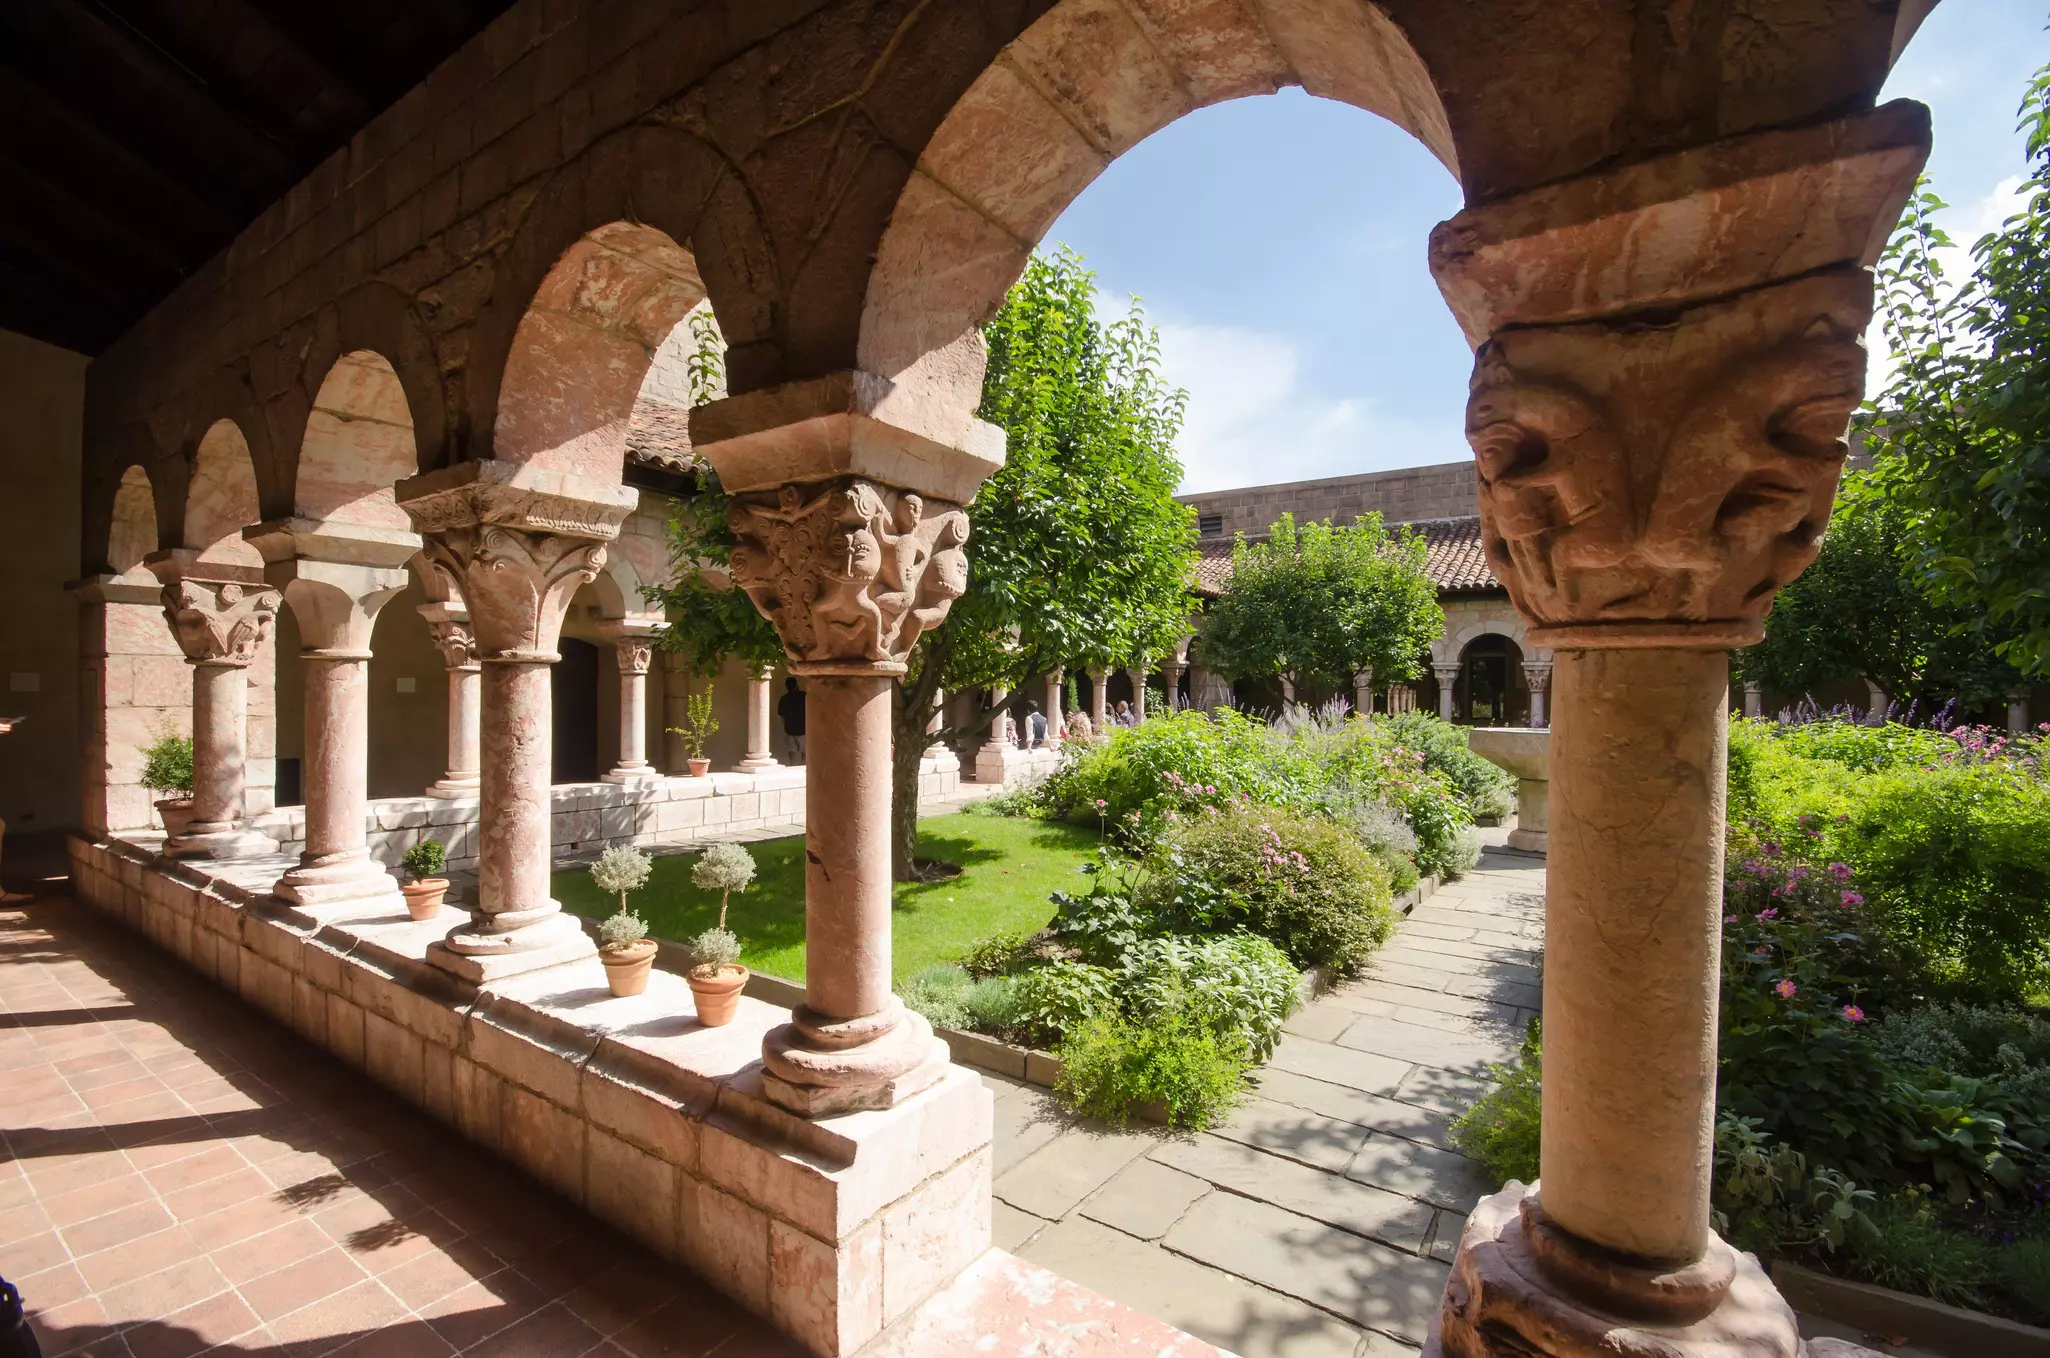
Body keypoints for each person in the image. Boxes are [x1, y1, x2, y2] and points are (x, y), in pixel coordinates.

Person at [777, 677, 806, 765]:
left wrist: (786, 726)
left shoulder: (784, 699)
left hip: (790, 731)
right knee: (806, 754)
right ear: (797, 685)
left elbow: (782, 717)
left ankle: (794, 767)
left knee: (793, 756)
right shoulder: (804, 695)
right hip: (804, 731)